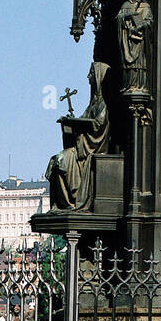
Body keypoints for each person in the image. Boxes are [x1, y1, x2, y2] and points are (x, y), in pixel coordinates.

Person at [45, 62, 111, 211]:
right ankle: (62, 203)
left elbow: (98, 125)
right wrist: (69, 122)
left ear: (99, 77)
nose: (88, 77)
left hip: (91, 149)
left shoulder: (104, 104)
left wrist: (75, 122)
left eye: (91, 74)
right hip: (82, 148)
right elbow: (84, 119)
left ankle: (71, 200)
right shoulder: (93, 103)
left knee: (61, 160)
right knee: (55, 161)